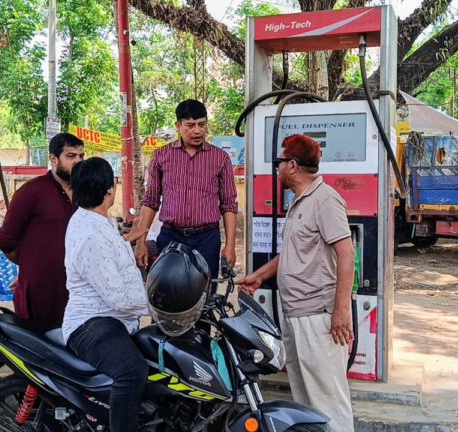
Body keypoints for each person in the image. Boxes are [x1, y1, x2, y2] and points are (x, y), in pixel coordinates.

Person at [236, 134, 356, 432]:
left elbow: (347, 254)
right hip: (296, 315)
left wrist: (341, 311)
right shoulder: (300, 202)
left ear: (291, 165)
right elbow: (292, 253)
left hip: (319, 317)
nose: (277, 169)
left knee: (328, 401)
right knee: (305, 401)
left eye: (279, 163)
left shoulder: (325, 200)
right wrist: (260, 276)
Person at [62, 158, 148, 432]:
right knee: (132, 372)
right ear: (110, 190)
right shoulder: (91, 234)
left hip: (111, 319)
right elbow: (118, 298)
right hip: (92, 322)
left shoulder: (95, 219)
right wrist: (159, 307)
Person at [132, 99, 238, 287]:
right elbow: (151, 201)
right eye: (190, 125)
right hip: (171, 237)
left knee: (205, 297)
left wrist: (230, 245)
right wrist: (141, 241)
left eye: (202, 125)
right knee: (167, 292)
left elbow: (229, 204)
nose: (197, 131)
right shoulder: (162, 156)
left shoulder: (220, 159)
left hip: (207, 239)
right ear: (178, 126)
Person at [0, 133, 84, 327]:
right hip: (40, 292)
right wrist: (31, 266)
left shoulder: (84, 193)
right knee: (40, 349)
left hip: (75, 292)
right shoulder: (31, 192)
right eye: (70, 156)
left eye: (81, 156)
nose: (78, 161)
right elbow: (5, 240)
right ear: (54, 159)